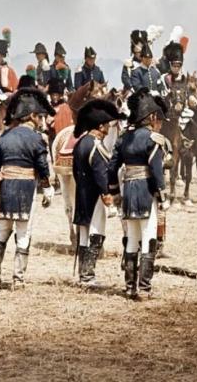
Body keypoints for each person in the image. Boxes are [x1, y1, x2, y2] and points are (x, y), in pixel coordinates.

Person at [0, 88, 56, 289]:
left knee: (3, 231)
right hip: (26, 189)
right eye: (38, 116)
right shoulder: (37, 139)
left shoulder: (4, 137)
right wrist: (47, 187)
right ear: (32, 116)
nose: (40, 120)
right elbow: (42, 166)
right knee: (23, 233)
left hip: (6, 188)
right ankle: (18, 278)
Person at [108, 89, 171, 299]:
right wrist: (162, 196)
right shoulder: (153, 139)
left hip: (128, 192)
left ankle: (130, 287)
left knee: (132, 239)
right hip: (145, 192)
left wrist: (115, 192)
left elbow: (112, 167)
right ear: (151, 117)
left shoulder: (124, 138)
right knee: (149, 237)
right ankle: (144, 288)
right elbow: (156, 171)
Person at [72, 99, 125, 288]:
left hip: (82, 193)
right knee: (96, 233)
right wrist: (106, 193)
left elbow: (75, 171)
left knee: (84, 235)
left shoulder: (80, 143)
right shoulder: (96, 145)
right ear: (100, 126)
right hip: (95, 197)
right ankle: (88, 276)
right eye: (107, 125)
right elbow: (100, 173)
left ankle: (83, 275)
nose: (109, 128)